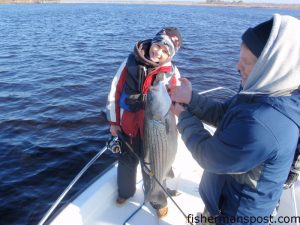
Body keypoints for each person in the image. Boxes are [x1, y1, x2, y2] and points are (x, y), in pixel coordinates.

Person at [170, 14, 300, 225]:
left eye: (247, 63)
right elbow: (224, 114)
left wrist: (183, 117)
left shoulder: (263, 125)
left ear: (271, 67)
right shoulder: (261, 90)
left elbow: (209, 155)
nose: (237, 67)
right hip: (221, 202)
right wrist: (191, 100)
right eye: (240, 58)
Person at [106, 27, 182, 217]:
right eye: (158, 45)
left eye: (166, 51)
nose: (159, 52)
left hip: (156, 132)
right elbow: (114, 91)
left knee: (154, 167)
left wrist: (179, 125)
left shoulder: (171, 72)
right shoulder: (129, 62)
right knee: (126, 162)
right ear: (152, 42)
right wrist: (114, 122)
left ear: (170, 55)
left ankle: (158, 200)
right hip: (129, 128)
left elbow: (179, 100)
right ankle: (125, 193)